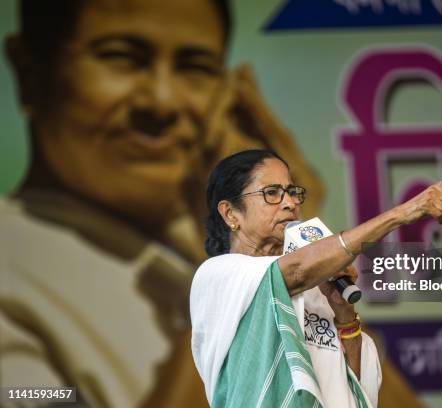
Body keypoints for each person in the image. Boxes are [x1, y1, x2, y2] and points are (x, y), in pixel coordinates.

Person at [0, 1, 322, 406]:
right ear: (30, 74)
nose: (161, 103)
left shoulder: (181, 263)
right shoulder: (13, 264)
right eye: (121, 57)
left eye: (195, 66)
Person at [191, 149, 442, 407]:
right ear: (230, 213)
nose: (290, 203)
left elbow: (351, 389)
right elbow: (295, 271)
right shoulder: (218, 275)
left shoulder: (315, 290)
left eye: (292, 192)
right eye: (272, 193)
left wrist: (346, 319)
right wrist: (403, 213)